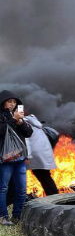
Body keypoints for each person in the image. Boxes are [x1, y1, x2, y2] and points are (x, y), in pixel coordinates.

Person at [0, 90, 33, 225]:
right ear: (3, 102)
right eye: (9, 101)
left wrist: (21, 122)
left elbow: (29, 133)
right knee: (3, 188)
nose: (12, 104)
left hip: (19, 158)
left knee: (21, 189)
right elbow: (2, 131)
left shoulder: (17, 116)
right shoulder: (2, 116)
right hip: (5, 158)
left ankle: (17, 216)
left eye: (14, 102)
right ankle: (3, 217)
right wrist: (13, 120)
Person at [24, 115, 59, 196]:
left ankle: (53, 197)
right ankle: (54, 197)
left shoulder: (23, 123)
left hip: (34, 155)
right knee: (45, 177)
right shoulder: (34, 123)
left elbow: (26, 141)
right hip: (42, 154)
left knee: (43, 176)